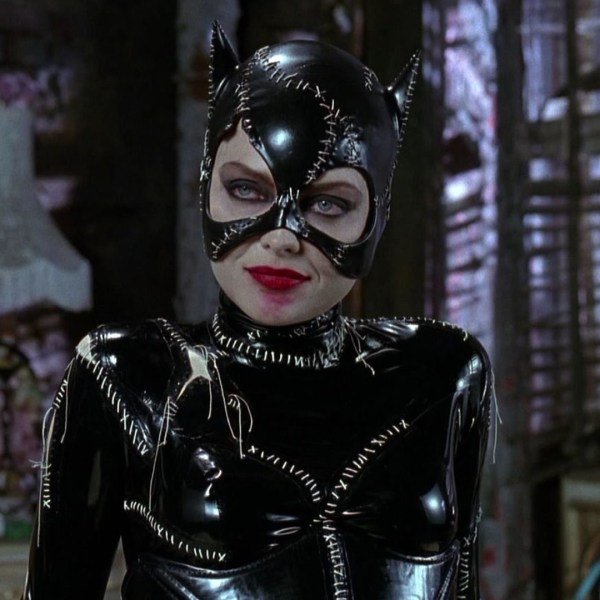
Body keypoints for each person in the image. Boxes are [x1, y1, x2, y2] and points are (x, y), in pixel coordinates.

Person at [24, 22, 492, 600]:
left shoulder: (443, 373)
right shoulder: (126, 375)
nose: (283, 238)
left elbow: (463, 582)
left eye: (328, 203)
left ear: (378, 216)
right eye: (247, 190)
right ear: (206, 187)